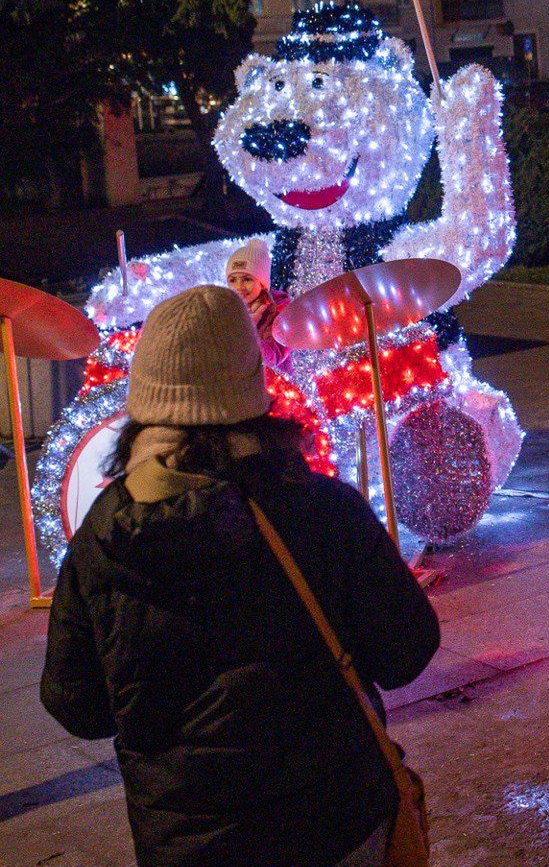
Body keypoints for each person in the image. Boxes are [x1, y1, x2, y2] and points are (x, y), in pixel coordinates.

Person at [41, 285, 440, 867]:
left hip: (193, 844)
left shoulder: (103, 538)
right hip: (338, 820)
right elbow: (406, 651)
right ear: (252, 386)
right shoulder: (324, 510)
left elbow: (76, 707)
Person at [225, 240, 289, 372]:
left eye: (247, 279)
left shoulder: (279, 313)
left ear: (262, 283)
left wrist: (247, 335)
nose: (239, 287)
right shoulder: (227, 312)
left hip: (270, 382)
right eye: (233, 280)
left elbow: (275, 357)